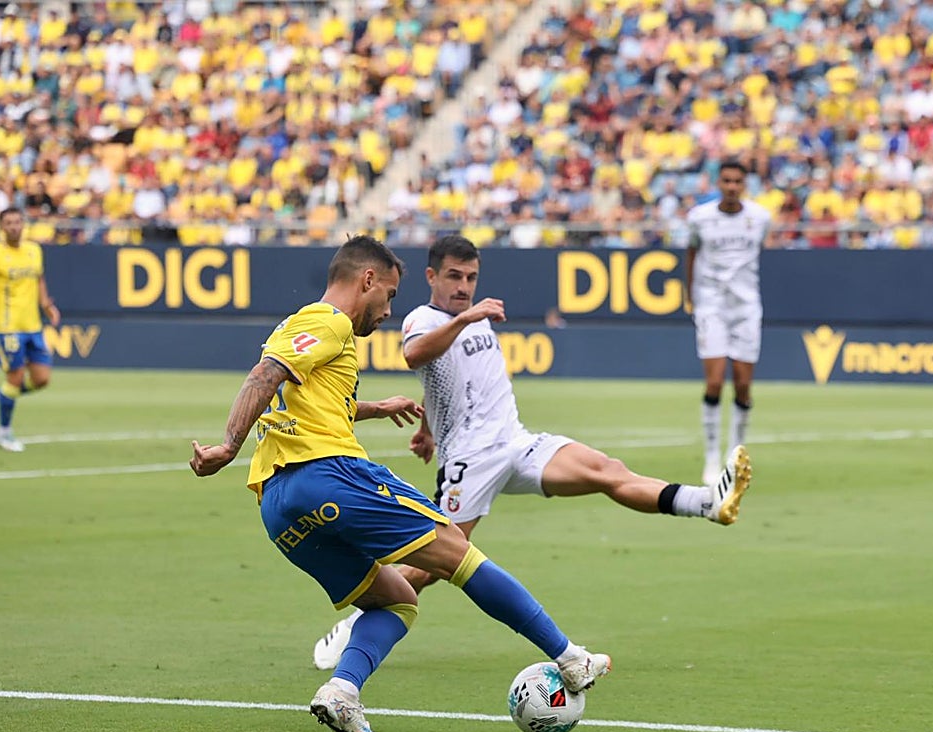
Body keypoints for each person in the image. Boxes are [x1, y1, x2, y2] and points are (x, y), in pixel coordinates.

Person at [189, 235, 611, 732]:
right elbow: (265, 375)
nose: (388, 310)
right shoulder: (328, 320)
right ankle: (571, 658)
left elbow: (298, 395)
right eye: (388, 295)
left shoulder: (308, 330)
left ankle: (343, 691)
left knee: (397, 598)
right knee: (459, 553)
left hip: (279, 506)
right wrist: (228, 444)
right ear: (366, 280)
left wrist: (373, 408)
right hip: (330, 474)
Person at [311, 234, 753, 671]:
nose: (463, 286)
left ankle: (707, 503)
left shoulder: (471, 316)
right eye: (453, 276)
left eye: (471, 277)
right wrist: (466, 322)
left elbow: (447, 381)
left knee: (606, 469)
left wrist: (426, 429)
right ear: (431, 276)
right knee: (435, 564)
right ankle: (356, 624)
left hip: (517, 442)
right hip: (471, 460)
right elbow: (415, 356)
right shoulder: (424, 319)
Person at [684, 160, 771, 485]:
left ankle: (735, 453)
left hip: (746, 308)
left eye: (738, 181)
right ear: (718, 183)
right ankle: (710, 456)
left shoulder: (760, 218)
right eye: (727, 181)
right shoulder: (700, 218)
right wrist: (691, 295)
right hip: (712, 307)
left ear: (744, 184)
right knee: (715, 382)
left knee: (744, 385)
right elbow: (691, 253)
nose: (732, 186)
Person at [0, 207, 61, 452]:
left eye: (17, 222)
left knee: (41, 379)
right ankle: (4, 433)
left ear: (23, 224)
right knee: (14, 379)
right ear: (1, 226)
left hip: (33, 326)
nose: (14, 226)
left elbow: (39, 279)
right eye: (9, 223)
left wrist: (47, 305)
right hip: (8, 328)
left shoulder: (33, 250)